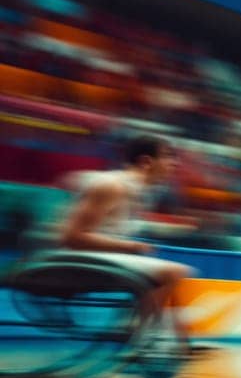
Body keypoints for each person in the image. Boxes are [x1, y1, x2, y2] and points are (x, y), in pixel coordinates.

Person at [48, 135, 196, 353]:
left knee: (166, 274)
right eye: (168, 156)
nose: (174, 164)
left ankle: (181, 342)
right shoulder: (112, 186)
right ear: (146, 162)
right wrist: (131, 247)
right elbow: (72, 237)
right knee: (173, 271)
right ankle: (140, 338)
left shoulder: (134, 191)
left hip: (98, 260)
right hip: (77, 262)